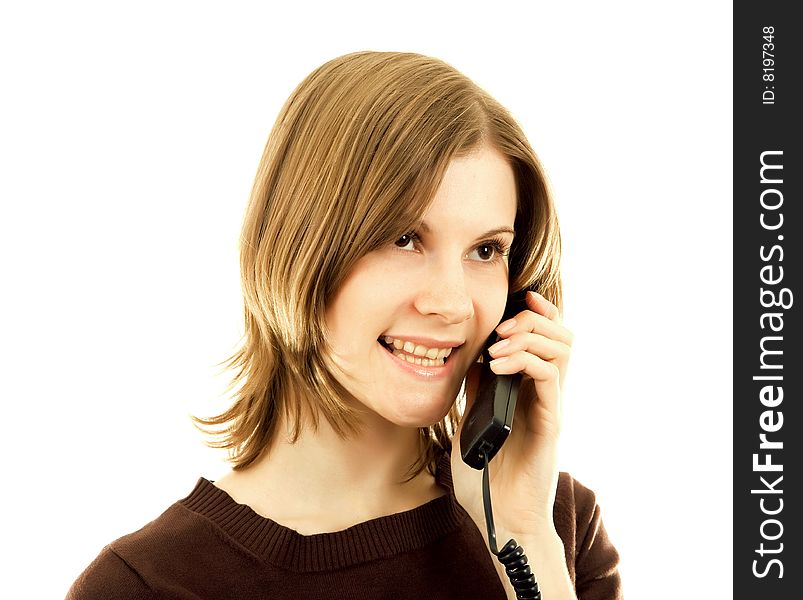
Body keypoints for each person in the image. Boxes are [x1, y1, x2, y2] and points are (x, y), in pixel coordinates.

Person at [66, 51, 622, 600]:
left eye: (485, 249)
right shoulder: (145, 585)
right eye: (404, 238)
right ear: (297, 246)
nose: (452, 304)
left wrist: (524, 539)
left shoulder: (557, 531)